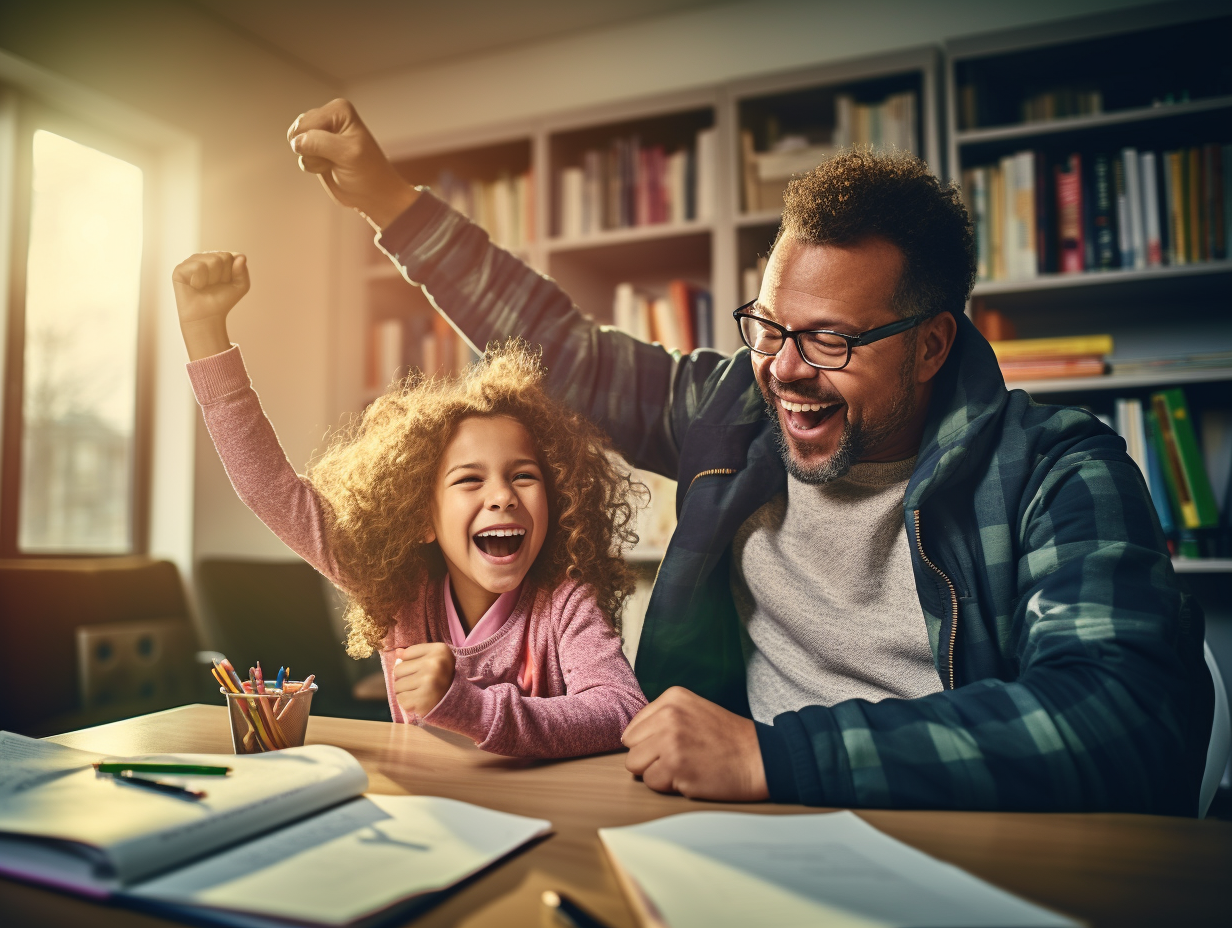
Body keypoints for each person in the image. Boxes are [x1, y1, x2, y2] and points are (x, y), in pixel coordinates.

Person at [285, 99, 1214, 814]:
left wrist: (776, 755)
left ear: (931, 347)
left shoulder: (1062, 472)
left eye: (831, 341)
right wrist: (387, 203)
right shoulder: (729, 408)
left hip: (949, 838)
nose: (784, 371)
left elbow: (1121, 716)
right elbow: (561, 350)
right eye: (770, 326)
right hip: (732, 831)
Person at [172, 250, 648, 757]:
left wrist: (469, 705)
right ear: (422, 516)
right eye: (469, 480)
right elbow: (270, 489)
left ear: (558, 500)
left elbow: (622, 711)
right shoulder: (400, 592)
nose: (503, 496)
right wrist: (205, 331)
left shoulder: (565, 603)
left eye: (523, 476)